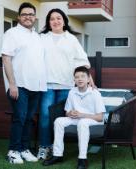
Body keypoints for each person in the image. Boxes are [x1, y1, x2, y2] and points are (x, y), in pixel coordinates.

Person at [37, 8, 94, 160]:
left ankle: (59, 149)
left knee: (64, 118)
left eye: (58, 18)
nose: (55, 21)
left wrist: (90, 78)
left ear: (64, 21)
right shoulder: (41, 38)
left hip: (66, 85)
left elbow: (82, 61)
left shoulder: (71, 39)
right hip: (46, 84)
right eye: (52, 19)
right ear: (48, 22)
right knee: (44, 116)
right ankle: (44, 147)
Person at [1, 2, 47, 164]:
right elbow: (6, 58)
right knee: (19, 118)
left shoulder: (37, 36)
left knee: (28, 119)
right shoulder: (12, 33)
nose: (28, 17)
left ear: (35, 17)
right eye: (25, 14)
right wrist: (12, 84)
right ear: (19, 17)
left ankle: (24, 149)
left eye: (31, 14)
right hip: (19, 85)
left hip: (36, 85)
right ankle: (13, 151)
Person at [43, 66, 106, 169]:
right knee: (58, 121)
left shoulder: (95, 93)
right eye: (77, 77)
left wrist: (82, 115)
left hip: (93, 120)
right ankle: (57, 155)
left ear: (88, 78)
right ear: (74, 80)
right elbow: (67, 112)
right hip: (77, 119)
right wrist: (70, 113)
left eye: (82, 76)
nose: (80, 79)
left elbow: (100, 117)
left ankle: (82, 159)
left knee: (83, 122)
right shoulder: (72, 92)